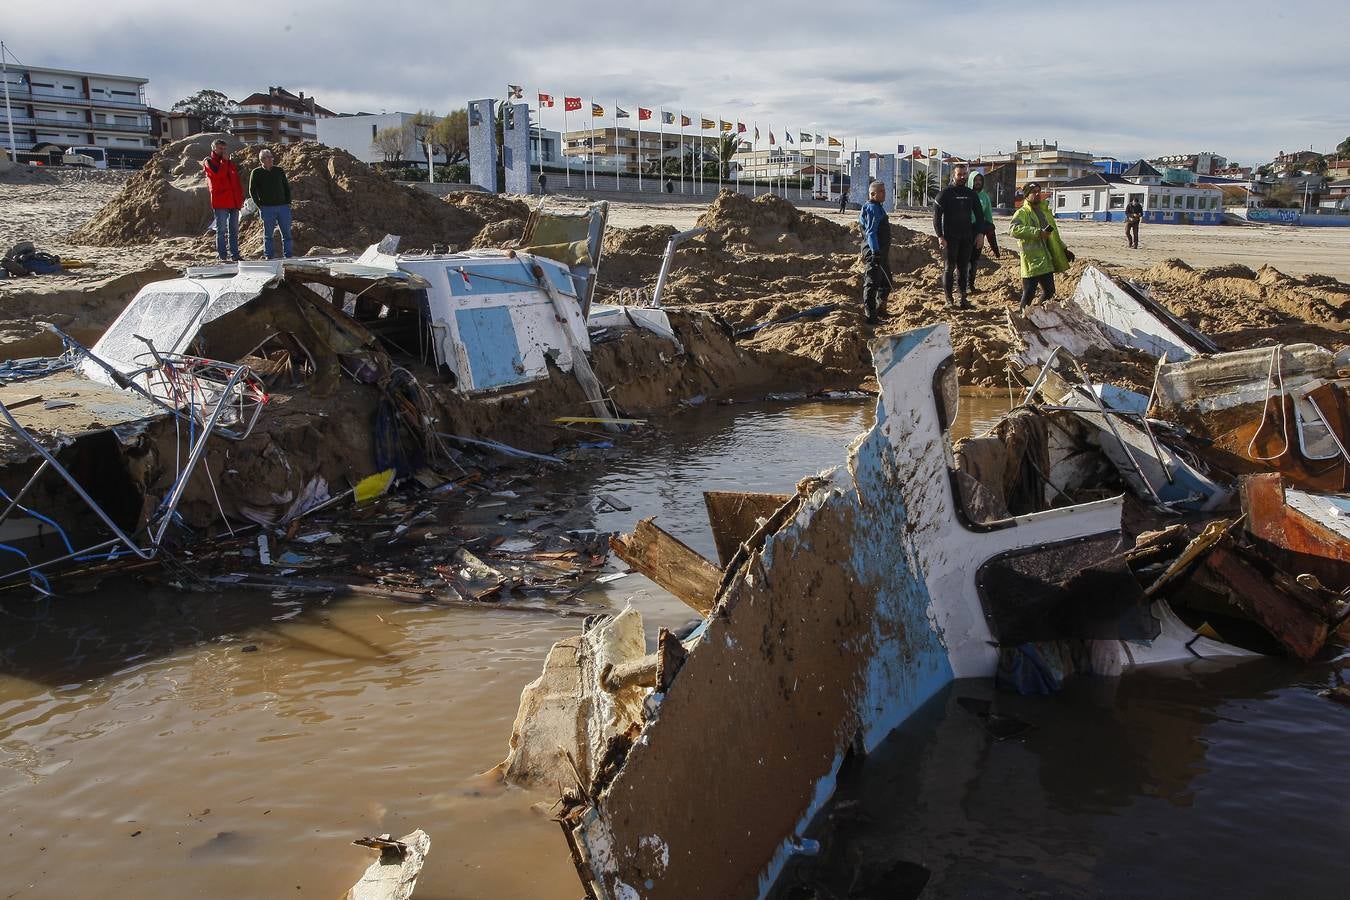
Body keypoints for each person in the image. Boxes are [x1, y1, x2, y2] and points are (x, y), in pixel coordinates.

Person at [1010, 182, 1073, 313]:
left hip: (1046, 259)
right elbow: (1014, 229)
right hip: (1031, 260)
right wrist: (1038, 233)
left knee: (1050, 291)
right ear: (1027, 195)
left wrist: (1064, 249)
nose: (1037, 194)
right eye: (1034, 191)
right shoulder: (1023, 212)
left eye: (1039, 191)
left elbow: (1053, 235)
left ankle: (1038, 313)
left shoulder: (1045, 212)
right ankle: (1022, 318)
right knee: (1029, 293)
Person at [933, 163, 987, 308]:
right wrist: (940, 236)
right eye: (959, 174)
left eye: (965, 174)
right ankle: (949, 300)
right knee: (949, 268)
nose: (962, 177)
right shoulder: (945, 194)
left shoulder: (971, 194)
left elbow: (980, 216)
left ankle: (963, 299)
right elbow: (937, 218)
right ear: (953, 176)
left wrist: (980, 234)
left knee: (963, 268)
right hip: (950, 238)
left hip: (967, 237)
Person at [202, 139, 243, 262]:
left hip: (234, 202)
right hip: (220, 201)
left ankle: (235, 255)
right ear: (214, 149)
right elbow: (218, 175)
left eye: (225, 149)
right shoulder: (209, 162)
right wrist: (224, 161)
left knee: (234, 230)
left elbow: (236, 182)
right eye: (220, 148)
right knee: (221, 230)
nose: (223, 151)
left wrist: (239, 199)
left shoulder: (229, 163)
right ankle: (222, 256)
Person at [248, 149, 293, 259]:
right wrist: (259, 205)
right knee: (268, 235)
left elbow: (286, 187)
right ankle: (269, 256)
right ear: (262, 160)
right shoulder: (256, 173)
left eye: (271, 157)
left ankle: (288, 256)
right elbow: (252, 190)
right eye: (268, 157)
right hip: (267, 208)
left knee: (286, 234)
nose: (271, 159)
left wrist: (288, 202)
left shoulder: (279, 170)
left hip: (283, 207)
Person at [858, 180, 891, 325]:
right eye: (881, 191)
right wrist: (875, 252)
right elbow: (871, 233)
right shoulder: (872, 208)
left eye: (884, 191)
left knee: (886, 282)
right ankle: (871, 316)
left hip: (880, 252)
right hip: (874, 251)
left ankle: (880, 310)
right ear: (872, 194)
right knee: (872, 283)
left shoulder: (877, 206)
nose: (884, 194)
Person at [966, 170, 1000, 293]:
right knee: (964, 259)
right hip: (965, 230)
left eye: (980, 180)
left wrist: (989, 228)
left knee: (974, 259)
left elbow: (988, 215)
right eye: (975, 180)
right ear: (970, 181)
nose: (978, 182)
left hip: (979, 231)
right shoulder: (965, 194)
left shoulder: (984, 197)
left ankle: (971, 284)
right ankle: (962, 285)